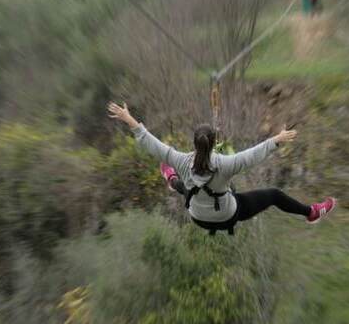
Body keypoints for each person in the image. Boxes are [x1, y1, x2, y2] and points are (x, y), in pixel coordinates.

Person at [108, 101, 336, 236]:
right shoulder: (227, 164)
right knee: (272, 195)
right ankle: (311, 212)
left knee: (191, 187)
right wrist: (277, 139)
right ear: (215, 143)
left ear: (194, 143)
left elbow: (149, 140)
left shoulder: (179, 159)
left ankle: (171, 180)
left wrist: (128, 118)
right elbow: (254, 154)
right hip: (227, 216)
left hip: (197, 216)